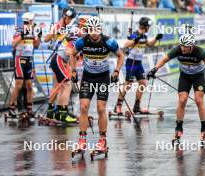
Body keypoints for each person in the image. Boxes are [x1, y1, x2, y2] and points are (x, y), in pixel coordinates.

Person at [69, 16, 124, 153]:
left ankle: (102, 140)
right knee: (83, 107)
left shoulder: (109, 42)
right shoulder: (82, 41)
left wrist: (116, 71)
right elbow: (72, 54)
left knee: (100, 108)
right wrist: (73, 70)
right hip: (88, 77)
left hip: (103, 78)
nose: (94, 32)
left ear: (100, 30)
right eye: (91, 30)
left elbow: (121, 56)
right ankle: (82, 140)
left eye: (96, 30)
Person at [147, 33, 205, 142]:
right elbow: (164, 59)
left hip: (198, 76)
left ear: (191, 46)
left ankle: (204, 128)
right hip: (185, 76)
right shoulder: (177, 50)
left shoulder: (200, 51)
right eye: (181, 45)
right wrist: (154, 69)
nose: (183, 48)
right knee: (182, 100)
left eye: (186, 46)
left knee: (198, 100)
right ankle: (178, 128)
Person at [114, 17, 163, 114]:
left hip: (139, 63)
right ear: (145, 26)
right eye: (148, 26)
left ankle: (137, 106)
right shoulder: (135, 34)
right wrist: (134, 40)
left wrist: (156, 38)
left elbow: (149, 44)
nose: (149, 27)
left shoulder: (144, 35)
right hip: (131, 62)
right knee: (128, 84)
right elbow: (126, 44)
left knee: (143, 83)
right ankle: (118, 106)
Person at [44, 7, 82, 123]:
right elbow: (46, 39)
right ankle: (61, 112)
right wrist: (56, 29)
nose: (66, 19)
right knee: (66, 85)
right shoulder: (62, 26)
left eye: (69, 18)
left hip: (60, 59)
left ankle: (55, 111)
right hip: (59, 58)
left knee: (59, 87)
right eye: (65, 17)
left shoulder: (73, 28)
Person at [9, 12, 41, 118]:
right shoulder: (20, 30)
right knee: (19, 84)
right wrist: (22, 36)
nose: (33, 23)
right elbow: (13, 44)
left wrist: (39, 36)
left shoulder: (33, 31)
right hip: (20, 58)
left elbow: (36, 45)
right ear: (30, 21)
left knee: (29, 85)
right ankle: (12, 108)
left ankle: (29, 108)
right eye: (32, 21)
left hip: (29, 59)